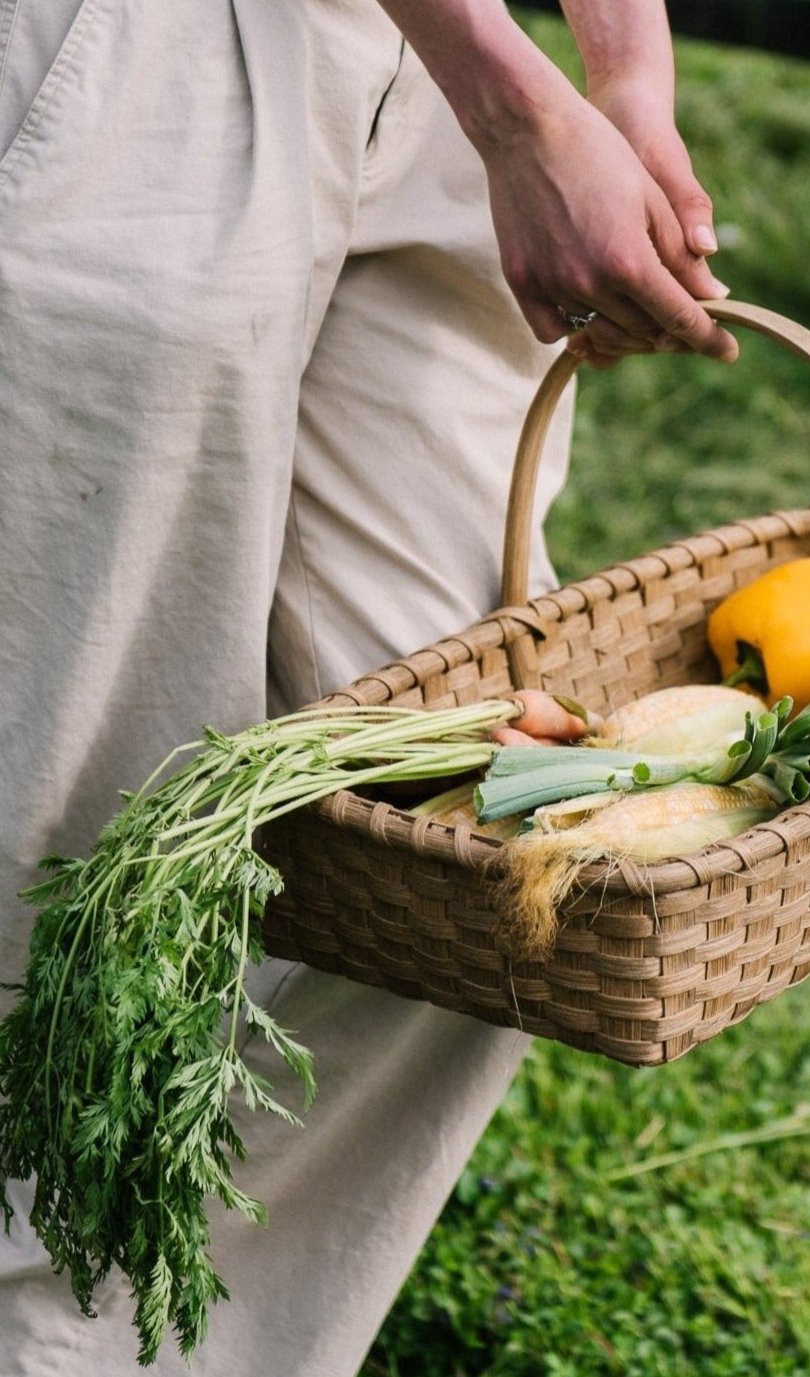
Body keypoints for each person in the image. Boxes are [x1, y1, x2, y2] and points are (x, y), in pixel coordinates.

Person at [0, 0, 736, 1371]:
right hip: (135, 61)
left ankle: (128, 1339)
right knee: (57, 810)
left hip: (428, 57)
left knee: (462, 843)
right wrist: (517, 109)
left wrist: (624, 78)